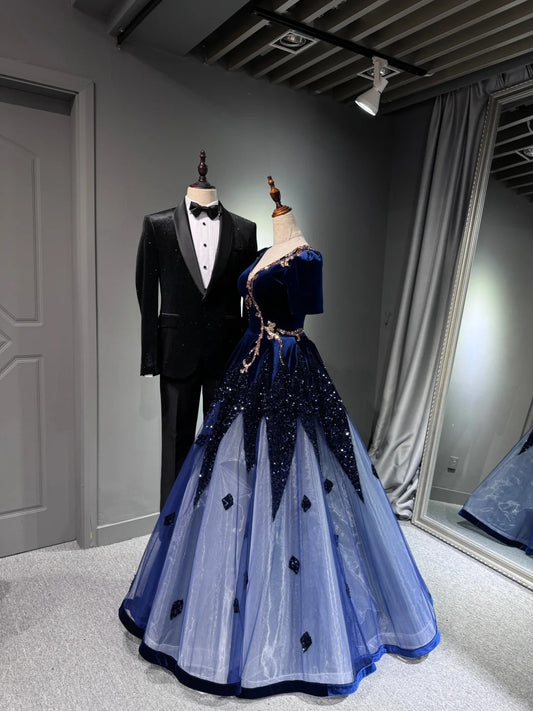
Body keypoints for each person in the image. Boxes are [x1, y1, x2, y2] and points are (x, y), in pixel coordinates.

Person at [120, 178, 440, 698]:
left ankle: (294, 604)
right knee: (225, 476)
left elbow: (300, 314)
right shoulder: (262, 251)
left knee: (297, 476)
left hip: (288, 368)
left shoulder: (307, 259)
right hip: (246, 368)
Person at [136, 151, 257, 508]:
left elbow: (249, 297)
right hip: (176, 353)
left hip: (227, 354)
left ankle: (220, 523)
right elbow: (146, 291)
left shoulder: (245, 229)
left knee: (226, 447)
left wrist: (249, 356)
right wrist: (150, 354)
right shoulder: (157, 225)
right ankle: (173, 527)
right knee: (175, 445)